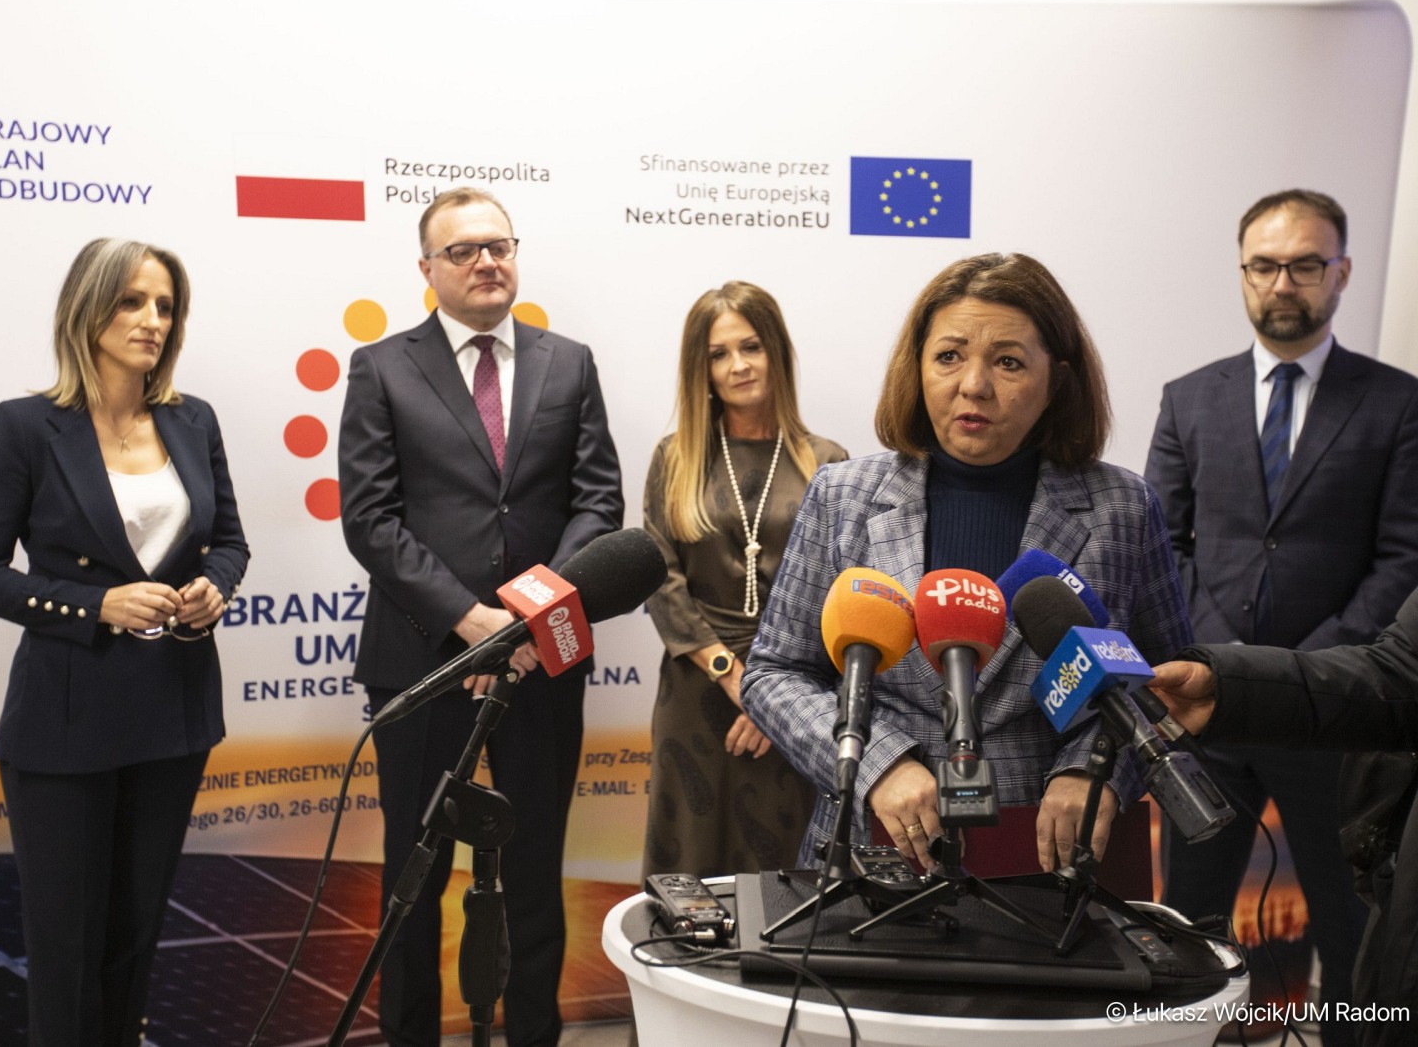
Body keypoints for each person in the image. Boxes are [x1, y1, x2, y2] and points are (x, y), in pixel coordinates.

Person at [741, 252, 1190, 879]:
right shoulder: (843, 495)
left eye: (1008, 362)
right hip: (876, 852)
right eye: (949, 356)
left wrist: (1097, 772)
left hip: (1051, 857)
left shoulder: (1122, 507)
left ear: (1057, 379)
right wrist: (878, 765)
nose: (973, 385)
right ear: (917, 365)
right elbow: (774, 673)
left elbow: (1167, 685)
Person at [337, 187, 623, 1047]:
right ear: (427, 269)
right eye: (462, 250)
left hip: (542, 662)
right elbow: (370, 519)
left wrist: (529, 620)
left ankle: (535, 1035)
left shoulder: (569, 363)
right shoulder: (382, 367)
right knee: (414, 878)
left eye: (499, 245)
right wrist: (470, 620)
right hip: (423, 660)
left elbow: (598, 502)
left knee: (534, 872)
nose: (486, 261)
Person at [0, 238, 249, 1047]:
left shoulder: (194, 419)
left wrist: (214, 586)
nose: (153, 320)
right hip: (66, 720)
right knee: (67, 950)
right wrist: (96, 603)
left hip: (174, 710)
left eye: (165, 306)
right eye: (132, 301)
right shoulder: (27, 425)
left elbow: (228, 541)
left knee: (134, 938)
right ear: (88, 310)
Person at [1144, 189, 1418, 1044]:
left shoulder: (1398, 403)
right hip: (1209, 710)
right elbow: (1160, 544)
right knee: (1186, 930)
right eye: (1264, 265)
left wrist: (1303, 671)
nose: (1282, 283)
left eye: (1304, 264)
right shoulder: (1189, 397)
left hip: (1334, 717)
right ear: (1242, 273)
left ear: (1342, 272)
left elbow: (1404, 556)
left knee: (1348, 928)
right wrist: (1221, 656)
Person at [640, 282, 848, 880]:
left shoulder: (828, 463)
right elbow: (660, 578)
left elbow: (840, 593)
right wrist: (733, 676)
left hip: (799, 690)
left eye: (751, 346)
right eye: (719, 354)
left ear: (776, 351)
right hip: (696, 690)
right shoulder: (675, 457)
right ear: (701, 369)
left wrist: (775, 699)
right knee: (691, 859)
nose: (738, 366)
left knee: (785, 866)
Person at [1148, 589, 1418, 1047]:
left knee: (1341, 925)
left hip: (1321, 736)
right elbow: (1397, 672)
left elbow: (1396, 562)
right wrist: (1230, 684)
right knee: (1188, 919)